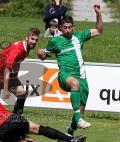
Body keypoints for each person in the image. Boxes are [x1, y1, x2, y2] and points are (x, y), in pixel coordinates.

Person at [38, 4, 103, 135]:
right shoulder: (55, 41)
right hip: (65, 76)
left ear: (73, 27)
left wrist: (98, 14)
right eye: (65, 28)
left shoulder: (80, 36)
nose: (67, 30)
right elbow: (44, 56)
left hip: (82, 78)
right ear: (60, 28)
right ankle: (78, 118)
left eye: (70, 27)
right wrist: (40, 54)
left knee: (81, 110)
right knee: (75, 83)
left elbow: (99, 30)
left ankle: (69, 133)